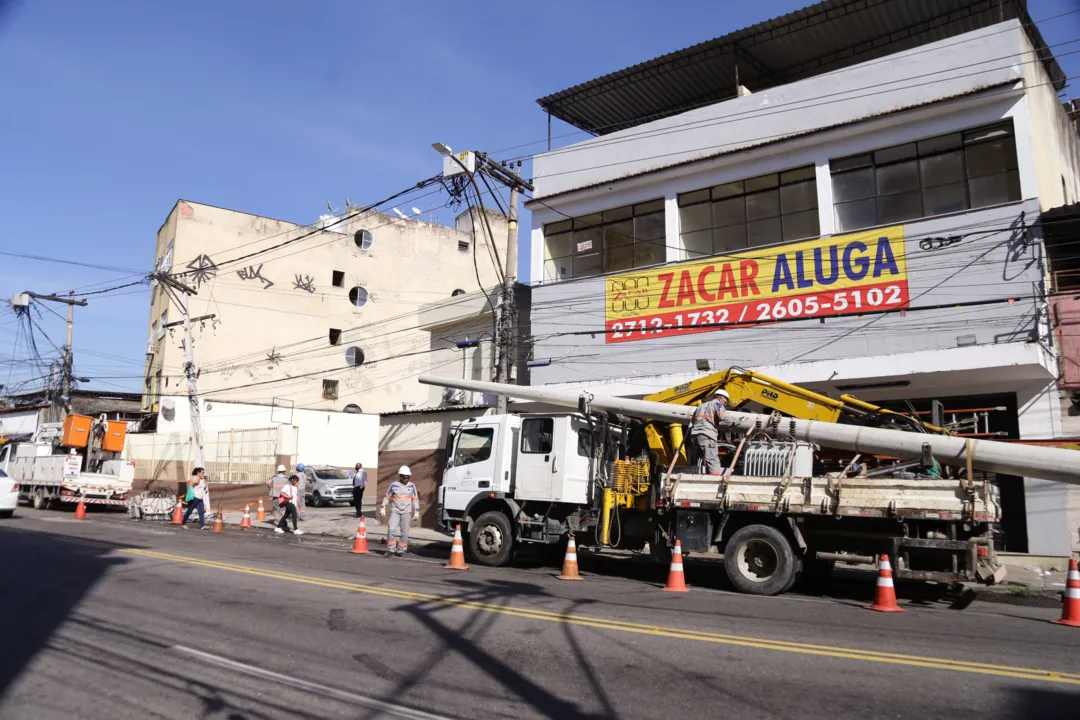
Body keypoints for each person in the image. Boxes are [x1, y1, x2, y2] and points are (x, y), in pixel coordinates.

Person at [688, 389, 733, 476]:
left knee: (699, 460)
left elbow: (692, 421)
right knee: (713, 460)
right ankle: (714, 483)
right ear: (720, 398)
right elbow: (725, 418)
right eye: (725, 402)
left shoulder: (700, 406)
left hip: (695, 436)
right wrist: (735, 421)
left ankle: (697, 479)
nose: (725, 404)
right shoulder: (717, 404)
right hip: (707, 435)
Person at [380, 466, 419, 556]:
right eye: (405, 477)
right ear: (400, 476)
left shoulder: (412, 486)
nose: (406, 479)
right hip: (395, 511)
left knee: (404, 532)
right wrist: (383, 507)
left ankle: (401, 550)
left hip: (407, 511)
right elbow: (387, 497)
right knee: (391, 529)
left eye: (408, 477)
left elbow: (415, 499)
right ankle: (391, 549)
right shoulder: (393, 485)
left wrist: (416, 511)